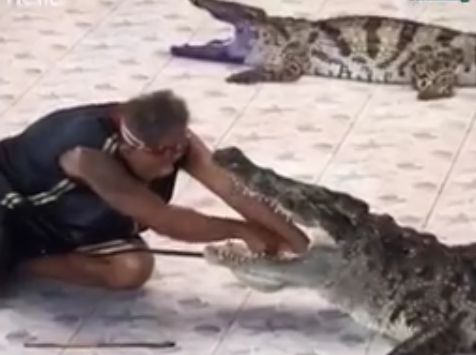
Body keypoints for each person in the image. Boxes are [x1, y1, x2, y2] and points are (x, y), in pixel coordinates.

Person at [0, 90, 309, 290]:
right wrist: (241, 230)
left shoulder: (172, 141)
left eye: (177, 149)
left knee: (132, 270)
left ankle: (27, 262)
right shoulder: (86, 154)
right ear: (128, 147)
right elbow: (163, 219)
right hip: (12, 202)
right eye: (160, 154)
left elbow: (234, 188)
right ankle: (13, 254)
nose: (172, 160)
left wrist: (301, 244)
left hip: (69, 218)